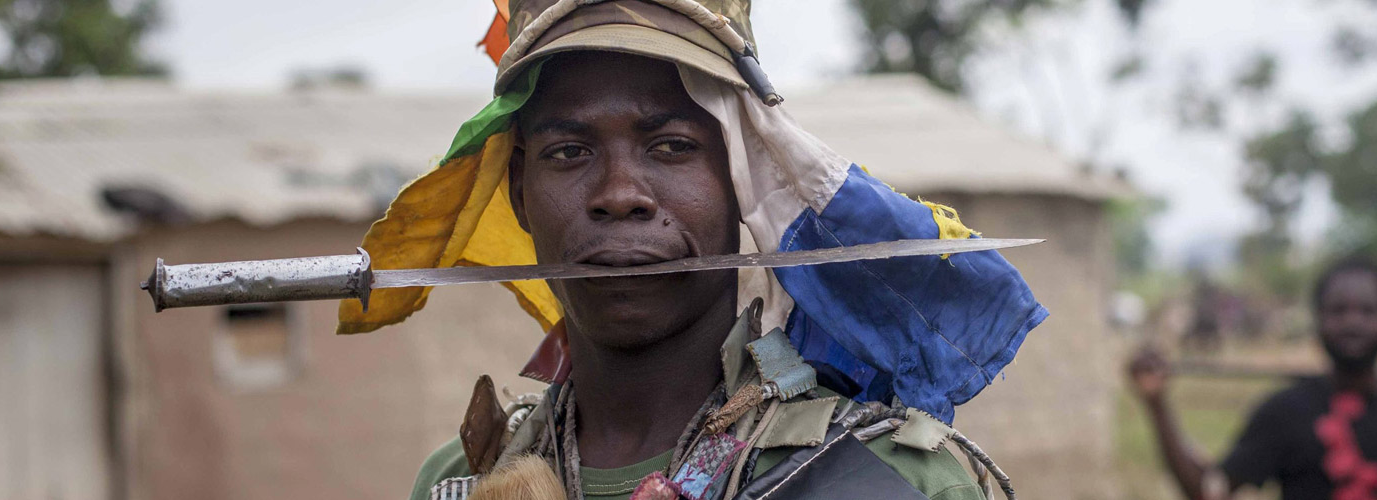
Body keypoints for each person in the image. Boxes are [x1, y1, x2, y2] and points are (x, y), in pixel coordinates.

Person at [333, 1, 1047, 498]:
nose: (619, 193)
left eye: (671, 147)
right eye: (569, 151)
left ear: (743, 174)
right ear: (519, 191)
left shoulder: (886, 481)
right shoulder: (463, 481)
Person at [1129, 258, 1377, 500]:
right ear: (1319, 319)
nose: (1353, 323)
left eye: (1368, 311)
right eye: (1338, 311)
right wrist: (1157, 405)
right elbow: (1208, 490)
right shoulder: (1286, 412)